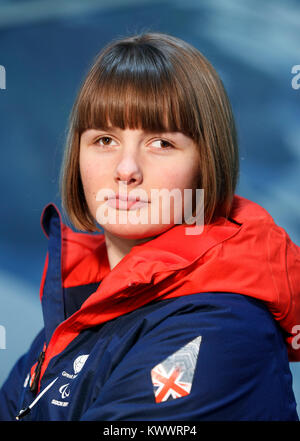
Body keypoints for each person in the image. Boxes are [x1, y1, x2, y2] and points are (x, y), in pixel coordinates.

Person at [0, 32, 299, 422]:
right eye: (105, 139)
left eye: (161, 143)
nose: (126, 170)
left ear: (206, 165)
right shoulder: (81, 310)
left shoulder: (218, 331)